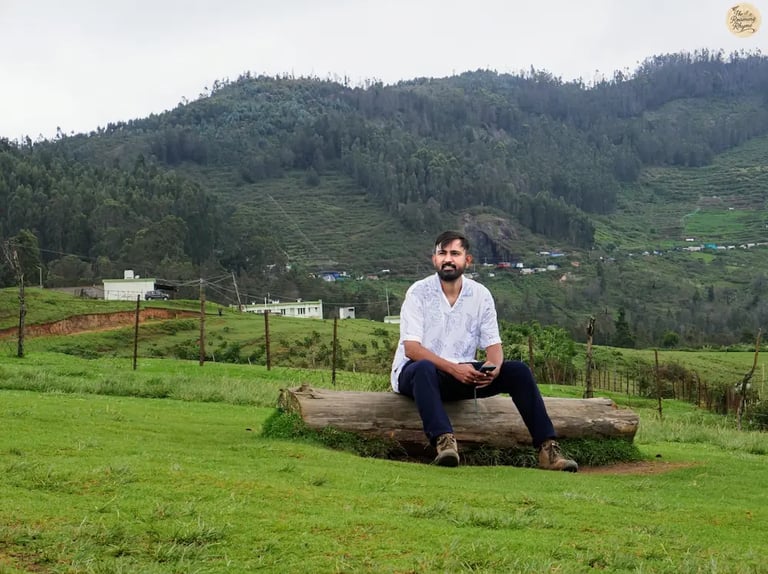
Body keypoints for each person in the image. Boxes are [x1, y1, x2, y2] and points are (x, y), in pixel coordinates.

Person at [390, 230, 578, 471]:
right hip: (417, 376)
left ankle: (547, 450)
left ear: (467, 260)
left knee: (518, 371)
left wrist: (493, 368)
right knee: (424, 367)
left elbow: (494, 346)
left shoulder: (480, 295)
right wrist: (454, 370)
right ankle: (444, 443)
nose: (448, 259)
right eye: (442, 253)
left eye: (455, 253)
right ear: (434, 259)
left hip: (462, 373)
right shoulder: (418, 292)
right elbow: (412, 349)